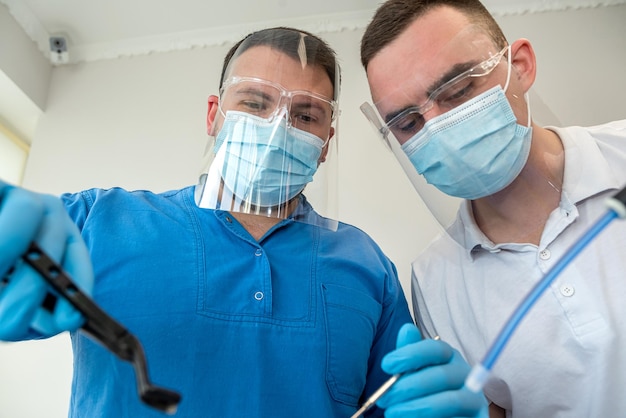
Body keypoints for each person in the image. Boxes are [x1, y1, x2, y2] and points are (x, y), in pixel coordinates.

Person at [0, 27, 487, 417]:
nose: (278, 127)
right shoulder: (98, 221)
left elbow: (394, 404)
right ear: (214, 115)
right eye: (255, 103)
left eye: (306, 115)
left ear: (326, 143)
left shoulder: (365, 263)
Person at [360, 0, 626, 416]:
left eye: (458, 91)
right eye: (409, 123)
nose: (438, 129)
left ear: (519, 66)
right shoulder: (435, 280)